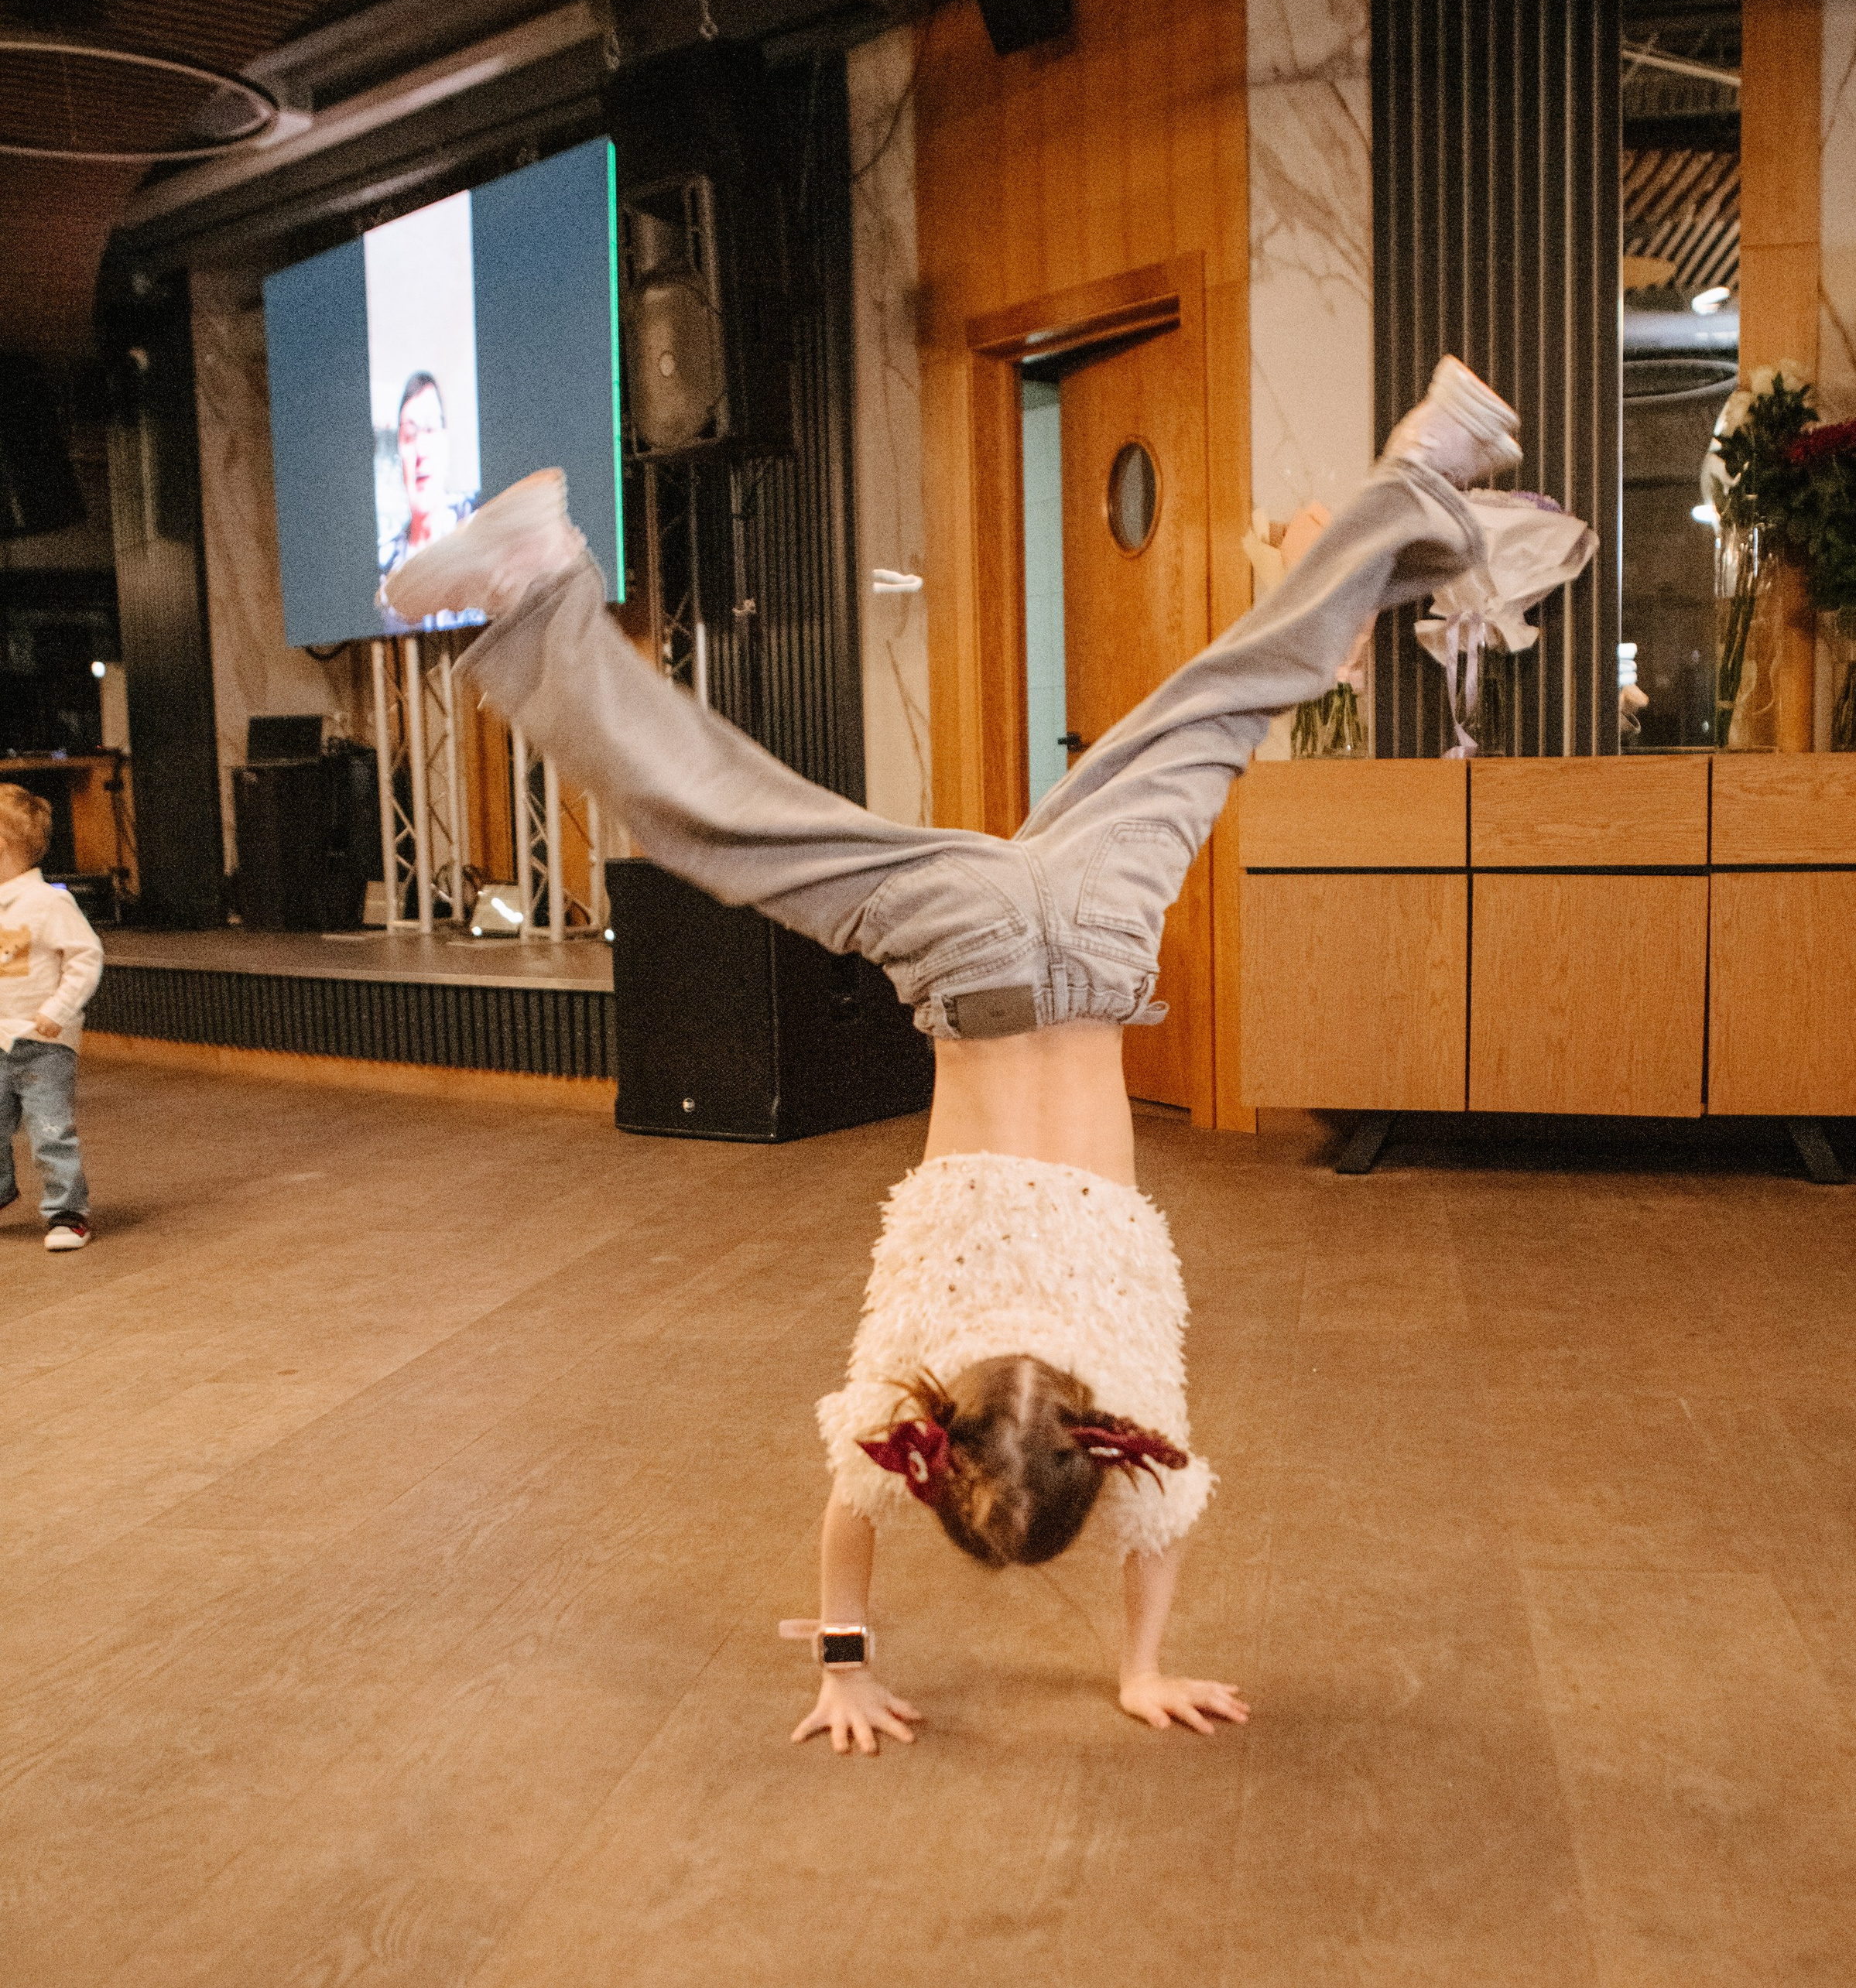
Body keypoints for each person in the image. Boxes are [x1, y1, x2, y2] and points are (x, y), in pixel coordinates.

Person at [386, 358, 1522, 1750]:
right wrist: (841, 1669)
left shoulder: (1128, 1392)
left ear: (1099, 1451)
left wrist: (1140, 1669)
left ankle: (1426, 461)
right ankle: (543, 589)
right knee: (737, 828)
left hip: (1098, 946)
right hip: (972, 955)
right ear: (937, 1447)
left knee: (1220, 707)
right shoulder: (912, 1376)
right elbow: (845, 1517)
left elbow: (1161, 1527)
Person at [0, 784, 105, 1251]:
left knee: (49, 1129)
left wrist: (58, 1011)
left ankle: (68, 1212)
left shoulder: (47, 902)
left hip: (42, 1042)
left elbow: (85, 957)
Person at [377, 371, 480, 628]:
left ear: (446, 441)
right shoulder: (383, 565)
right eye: (409, 435)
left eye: (431, 428)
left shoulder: (479, 524)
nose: (421, 449)